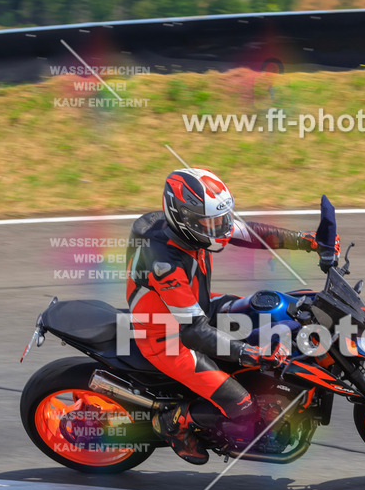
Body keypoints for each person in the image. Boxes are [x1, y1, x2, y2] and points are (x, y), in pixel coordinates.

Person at [124, 167, 339, 465]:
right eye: (211, 223)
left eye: (222, 219)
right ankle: (173, 421)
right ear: (182, 217)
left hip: (198, 306)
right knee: (243, 405)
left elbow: (250, 233)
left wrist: (308, 241)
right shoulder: (164, 264)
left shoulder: (193, 227)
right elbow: (194, 333)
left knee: (270, 310)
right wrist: (251, 353)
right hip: (168, 338)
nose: (221, 229)